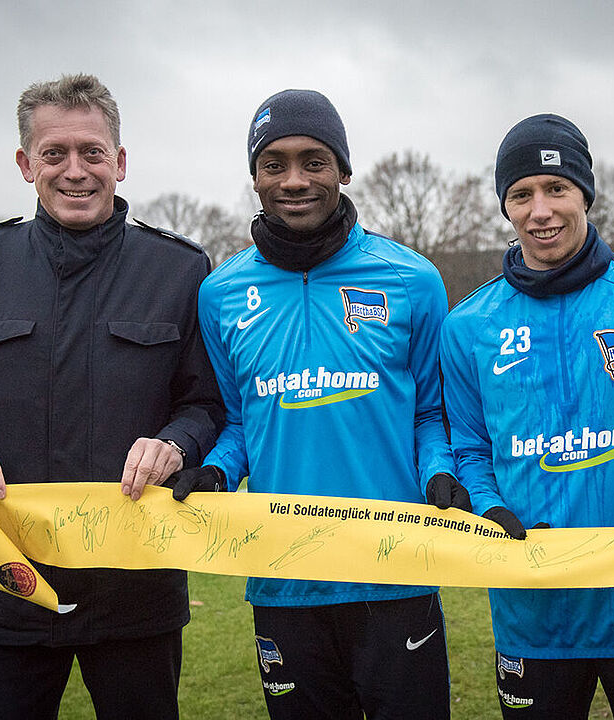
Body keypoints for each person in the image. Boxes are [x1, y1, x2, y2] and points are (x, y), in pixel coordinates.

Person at [0, 74, 224, 720]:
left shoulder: (180, 271)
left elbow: (208, 404)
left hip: (136, 597)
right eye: (54, 153)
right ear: (24, 164)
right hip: (5, 589)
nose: (76, 171)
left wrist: (177, 444)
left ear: (120, 163)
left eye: (93, 153)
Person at [173, 89, 460, 719]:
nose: (294, 179)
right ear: (254, 178)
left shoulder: (412, 279)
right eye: (274, 164)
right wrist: (218, 469)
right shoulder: (222, 292)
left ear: (344, 170)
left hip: (395, 570)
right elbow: (239, 418)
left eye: (314, 161)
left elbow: (432, 412)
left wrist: (439, 469)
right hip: (284, 579)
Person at [440, 113, 614, 719]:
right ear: (505, 206)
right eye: (521, 194)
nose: (539, 210)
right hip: (532, 606)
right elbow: (469, 446)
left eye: (556, 189)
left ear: (584, 195)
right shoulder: (467, 325)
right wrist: (490, 507)